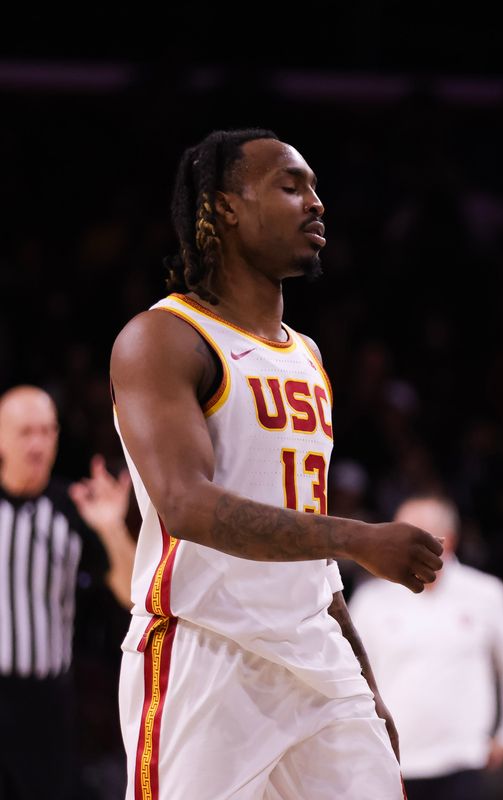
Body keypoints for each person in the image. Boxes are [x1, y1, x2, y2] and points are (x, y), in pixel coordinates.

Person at [109, 129, 444, 800]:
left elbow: (305, 536)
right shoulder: (164, 338)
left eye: (315, 189)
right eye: (291, 187)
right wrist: (360, 537)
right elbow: (185, 504)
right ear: (226, 206)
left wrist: (367, 683)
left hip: (317, 658)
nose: (316, 204)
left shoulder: (309, 355)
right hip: (205, 651)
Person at [350, 494, 503, 800]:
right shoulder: (371, 599)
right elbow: (351, 680)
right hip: (393, 762)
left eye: (408, 535)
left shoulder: (484, 592)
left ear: (445, 541)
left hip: (465, 759)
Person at [0, 385, 136, 800]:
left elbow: (134, 594)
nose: (38, 443)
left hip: (48, 700)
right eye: (26, 432)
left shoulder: (72, 509)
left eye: (47, 431)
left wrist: (112, 527)